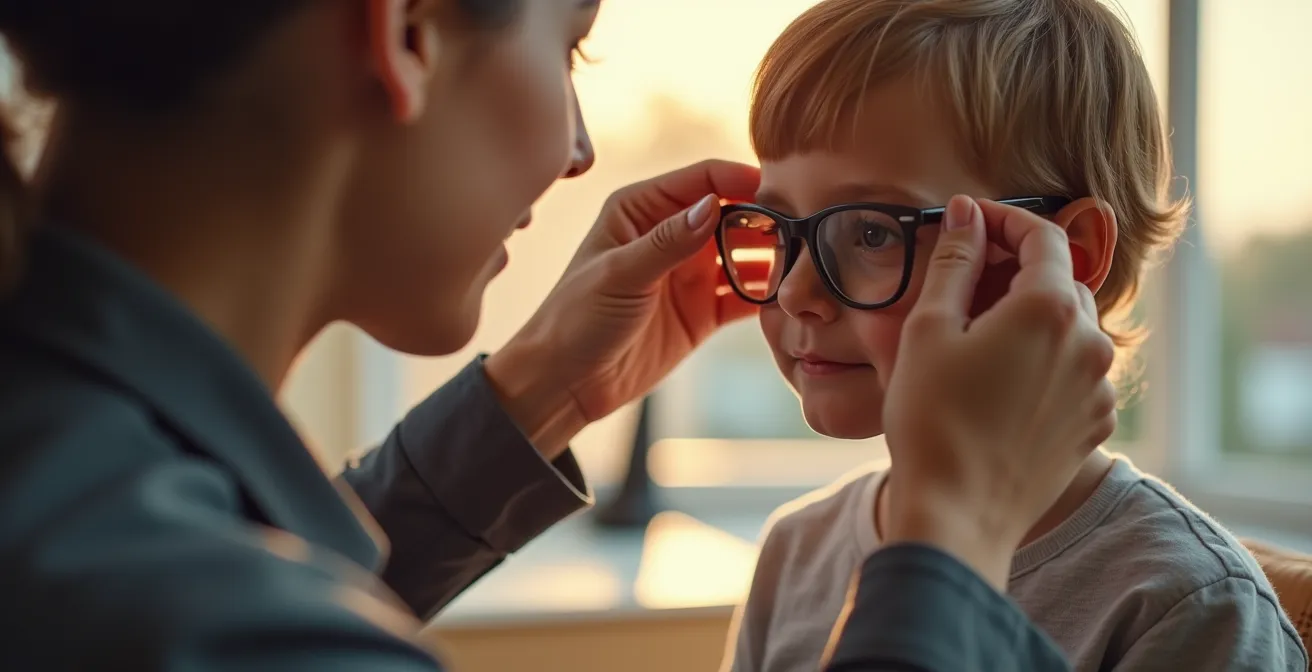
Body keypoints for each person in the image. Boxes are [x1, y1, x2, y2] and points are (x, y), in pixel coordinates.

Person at [0, 0, 1118, 670]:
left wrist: (541, 389)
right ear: (405, 31)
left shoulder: (71, 486)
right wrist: (954, 530)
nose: (580, 149)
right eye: (572, 44)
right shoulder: (191, 615)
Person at [717, 1, 1307, 671]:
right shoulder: (796, 549)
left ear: (1065, 254)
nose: (793, 290)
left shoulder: (1189, 607)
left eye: (873, 232)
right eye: (777, 224)